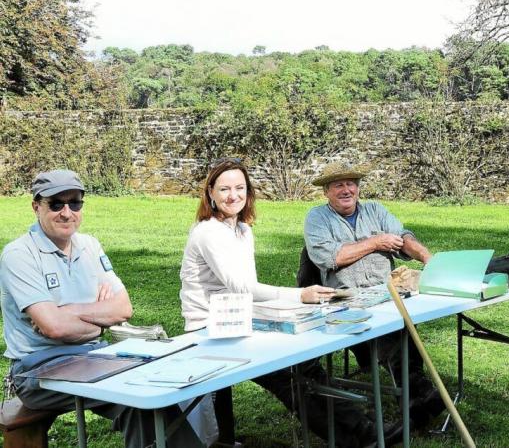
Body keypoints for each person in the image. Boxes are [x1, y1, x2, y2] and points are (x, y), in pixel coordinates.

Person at [179, 158, 400, 448]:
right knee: (293, 375)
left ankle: (362, 431)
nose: (233, 196)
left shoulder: (242, 230)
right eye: (224, 189)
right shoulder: (208, 232)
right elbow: (241, 286)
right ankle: (362, 434)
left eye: (239, 188)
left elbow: (246, 290)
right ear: (210, 192)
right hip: (209, 331)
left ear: (248, 192)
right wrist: (300, 295)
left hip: (238, 320)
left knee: (304, 366)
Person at [0, 169, 209, 448]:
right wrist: (99, 316)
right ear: (36, 206)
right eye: (56, 204)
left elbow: (123, 308)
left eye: (75, 203)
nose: (66, 212)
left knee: (151, 397)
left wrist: (68, 311)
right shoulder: (19, 255)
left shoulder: (89, 245)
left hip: (95, 355)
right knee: (140, 394)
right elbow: (54, 328)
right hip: (38, 369)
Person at [303, 162, 444, 429]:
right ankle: (418, 393)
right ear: (326, 192)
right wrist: (376, 242)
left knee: (401, 317)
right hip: (345, 298)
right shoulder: (317, 218)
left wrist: (427, 257)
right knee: (391, 325)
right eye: (338, 185)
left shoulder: (375, 210)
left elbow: (403, 237)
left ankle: (416, 395)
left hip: (387, 292)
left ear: (358, 187)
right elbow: (330, 257)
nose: (346, 189)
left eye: (351, 183)